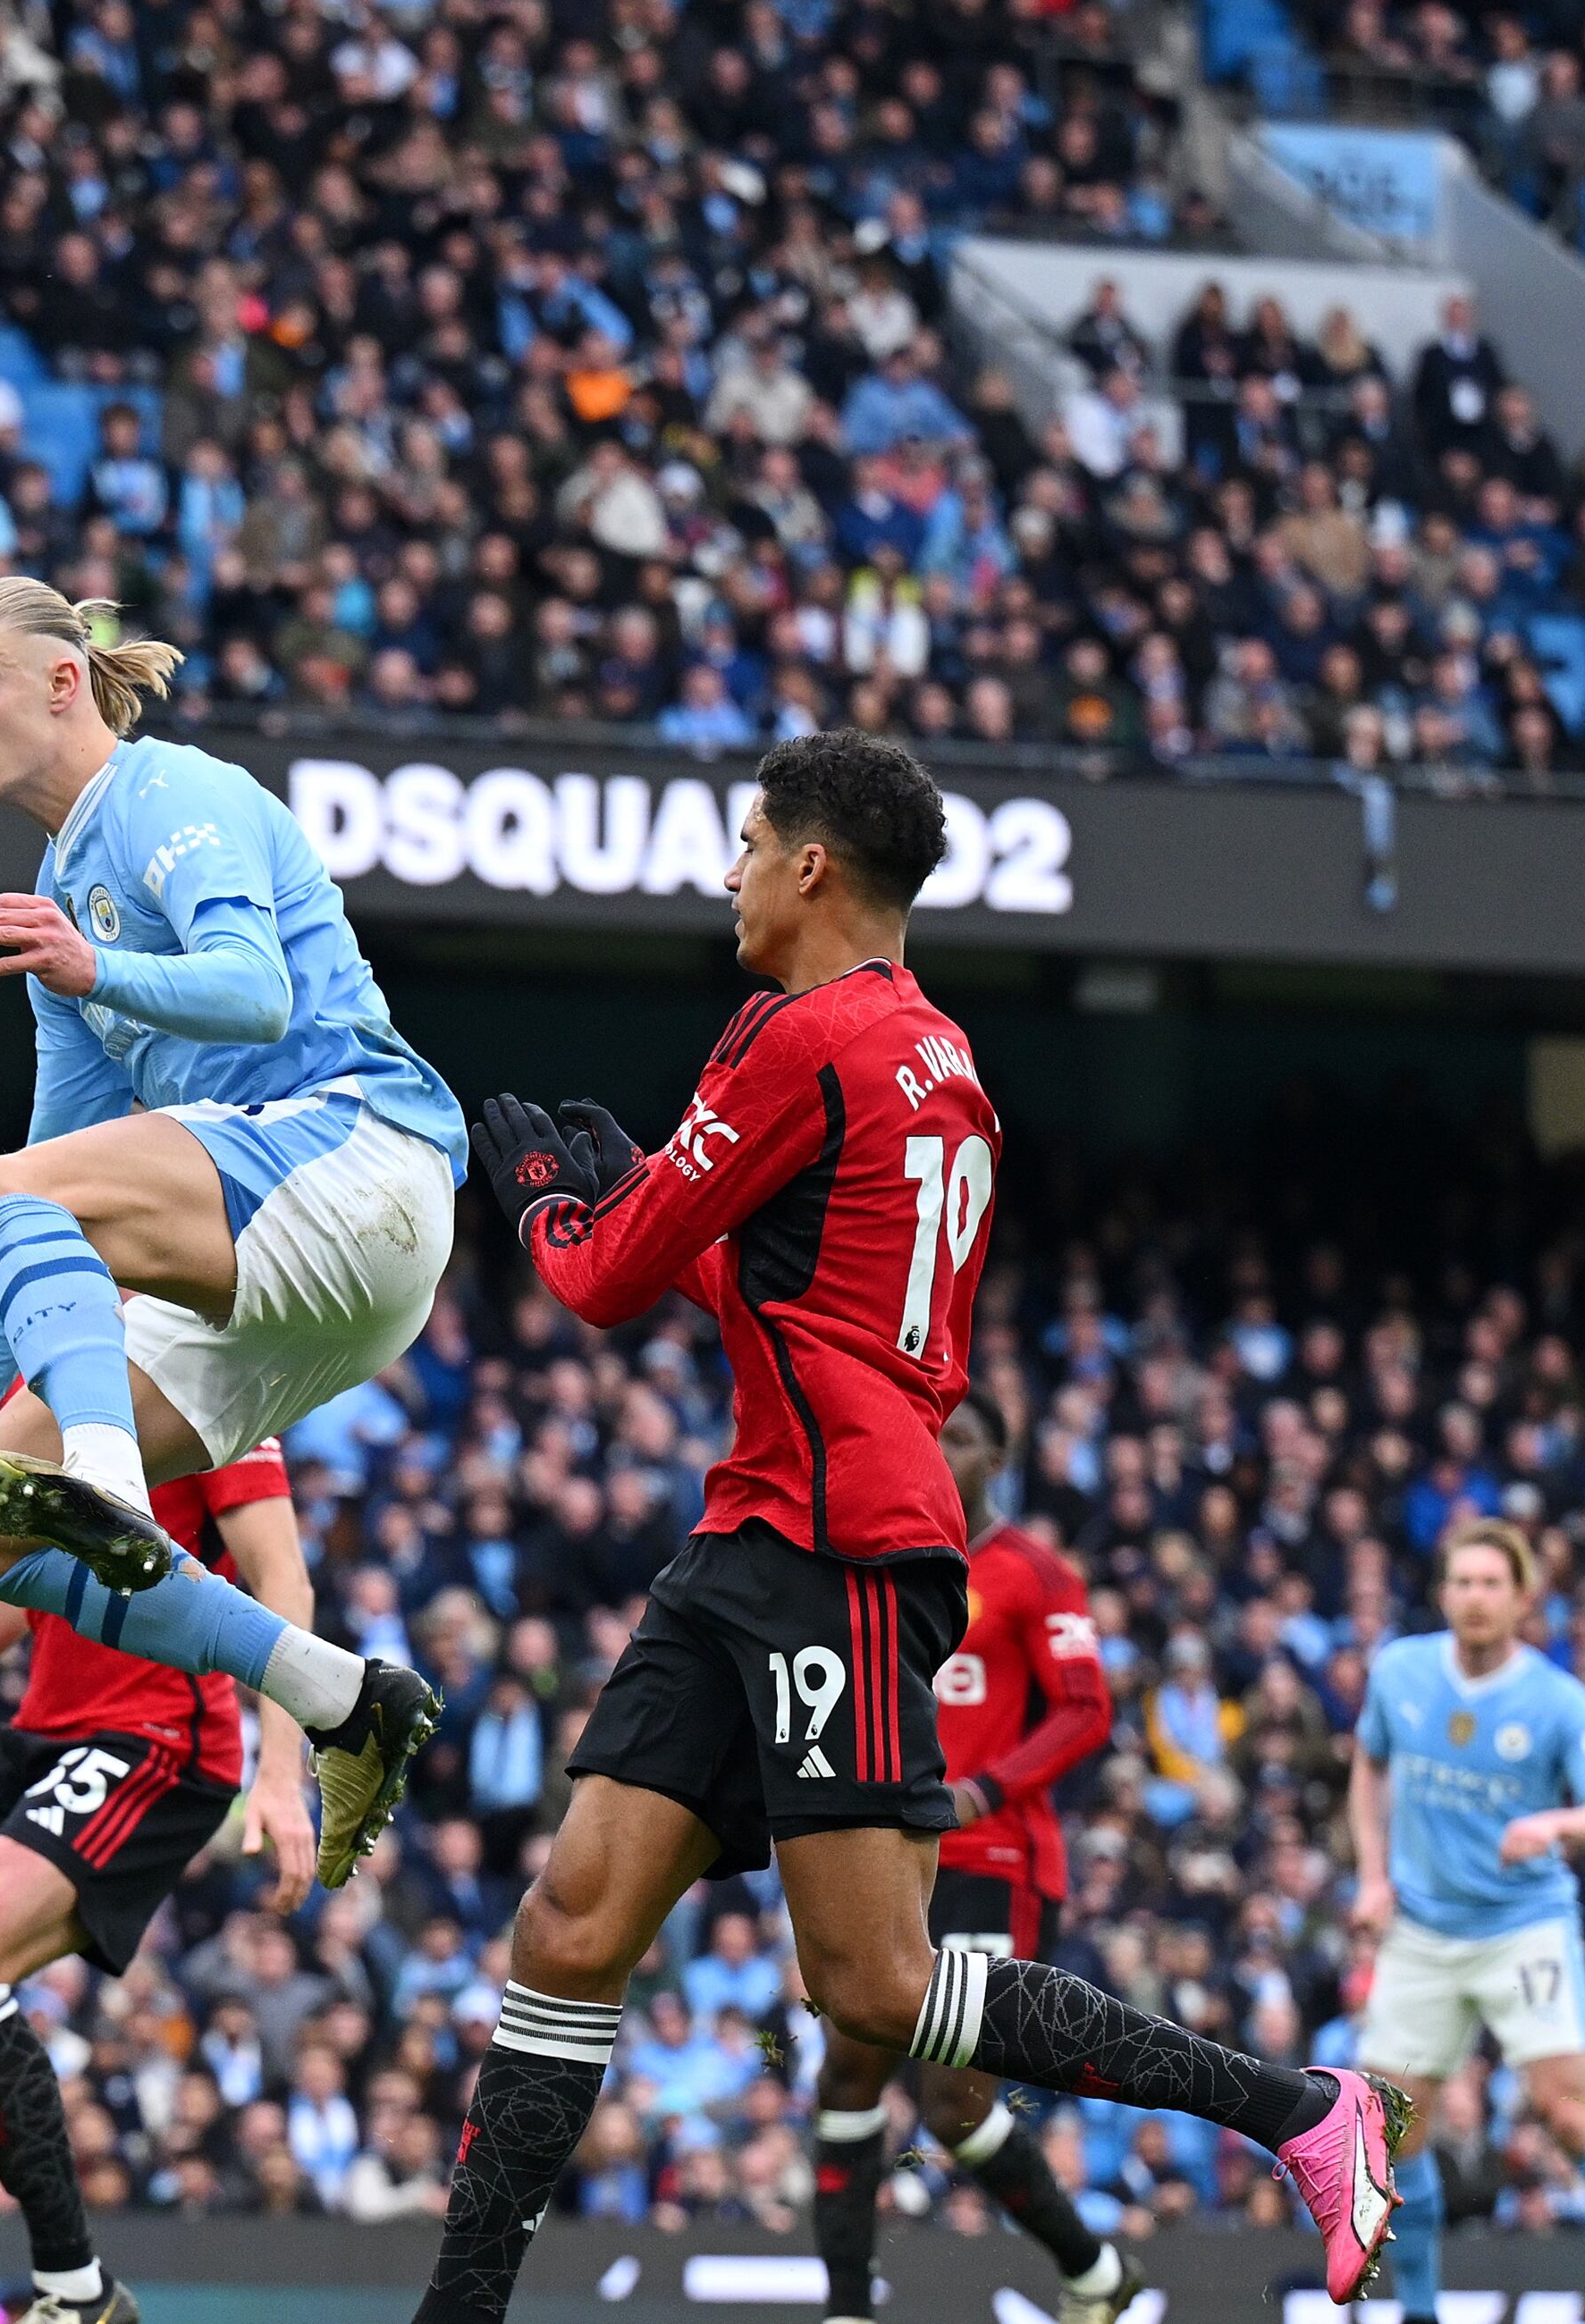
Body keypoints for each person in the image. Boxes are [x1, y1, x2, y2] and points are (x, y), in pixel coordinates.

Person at [414, 732, 1409, 2324]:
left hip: (844, 1551)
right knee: (570, 1921)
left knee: (870, 1987)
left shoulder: (800, 1039)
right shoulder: (940, 1062)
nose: (728, 872)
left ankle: (1304, 2111)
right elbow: (803, 1306)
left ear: (811, 864)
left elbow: (596, 1284)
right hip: (762, 1532)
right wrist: (642, 1214)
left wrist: (546, 1198)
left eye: (747, 843)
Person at [0, 577, 455, 1887]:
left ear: (63, 683)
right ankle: (338, 1693)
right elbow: (43, 1193)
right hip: (278, 1261)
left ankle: (109, 1478)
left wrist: (94, 971)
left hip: (357, 1158)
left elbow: (255, 993)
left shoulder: (169, 796)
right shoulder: (57, 886)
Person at [0, 1442, 316, 2324]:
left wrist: (280, 1771)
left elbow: (284, 1583)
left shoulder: (216, 1393)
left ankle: (80, 2295)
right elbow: (14, 1563)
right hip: (41, 1731)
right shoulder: (50, 1378)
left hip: (159, 1737)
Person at [806, 1397, 1131, 2324]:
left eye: (963, 1438)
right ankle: (844, 2308)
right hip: (881, 1855)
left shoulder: (1036, 1574)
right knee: (845, 2074)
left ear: (999, 1454)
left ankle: (1093, 2267)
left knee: (951, 2101)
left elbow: (1085, 1709)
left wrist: (984, 1788)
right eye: (930, 1434)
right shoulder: (873, 1560)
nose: (943, 1452)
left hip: (992, 1857)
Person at [1350, 1522, 1585, 2324]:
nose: (1475, 1596)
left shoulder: (1556, 1699)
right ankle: (1420, 2312)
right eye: (1462, 1581)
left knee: (1569, 2112)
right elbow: (1368, 1764)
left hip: (1523, 1926)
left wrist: (1555, 1827)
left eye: (1492, 1583)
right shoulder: (1400, 1670)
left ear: (1523, 1598)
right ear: (1443, 1592)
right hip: (1423, 1931)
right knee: (1393, 2131)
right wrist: (1371, 1875)